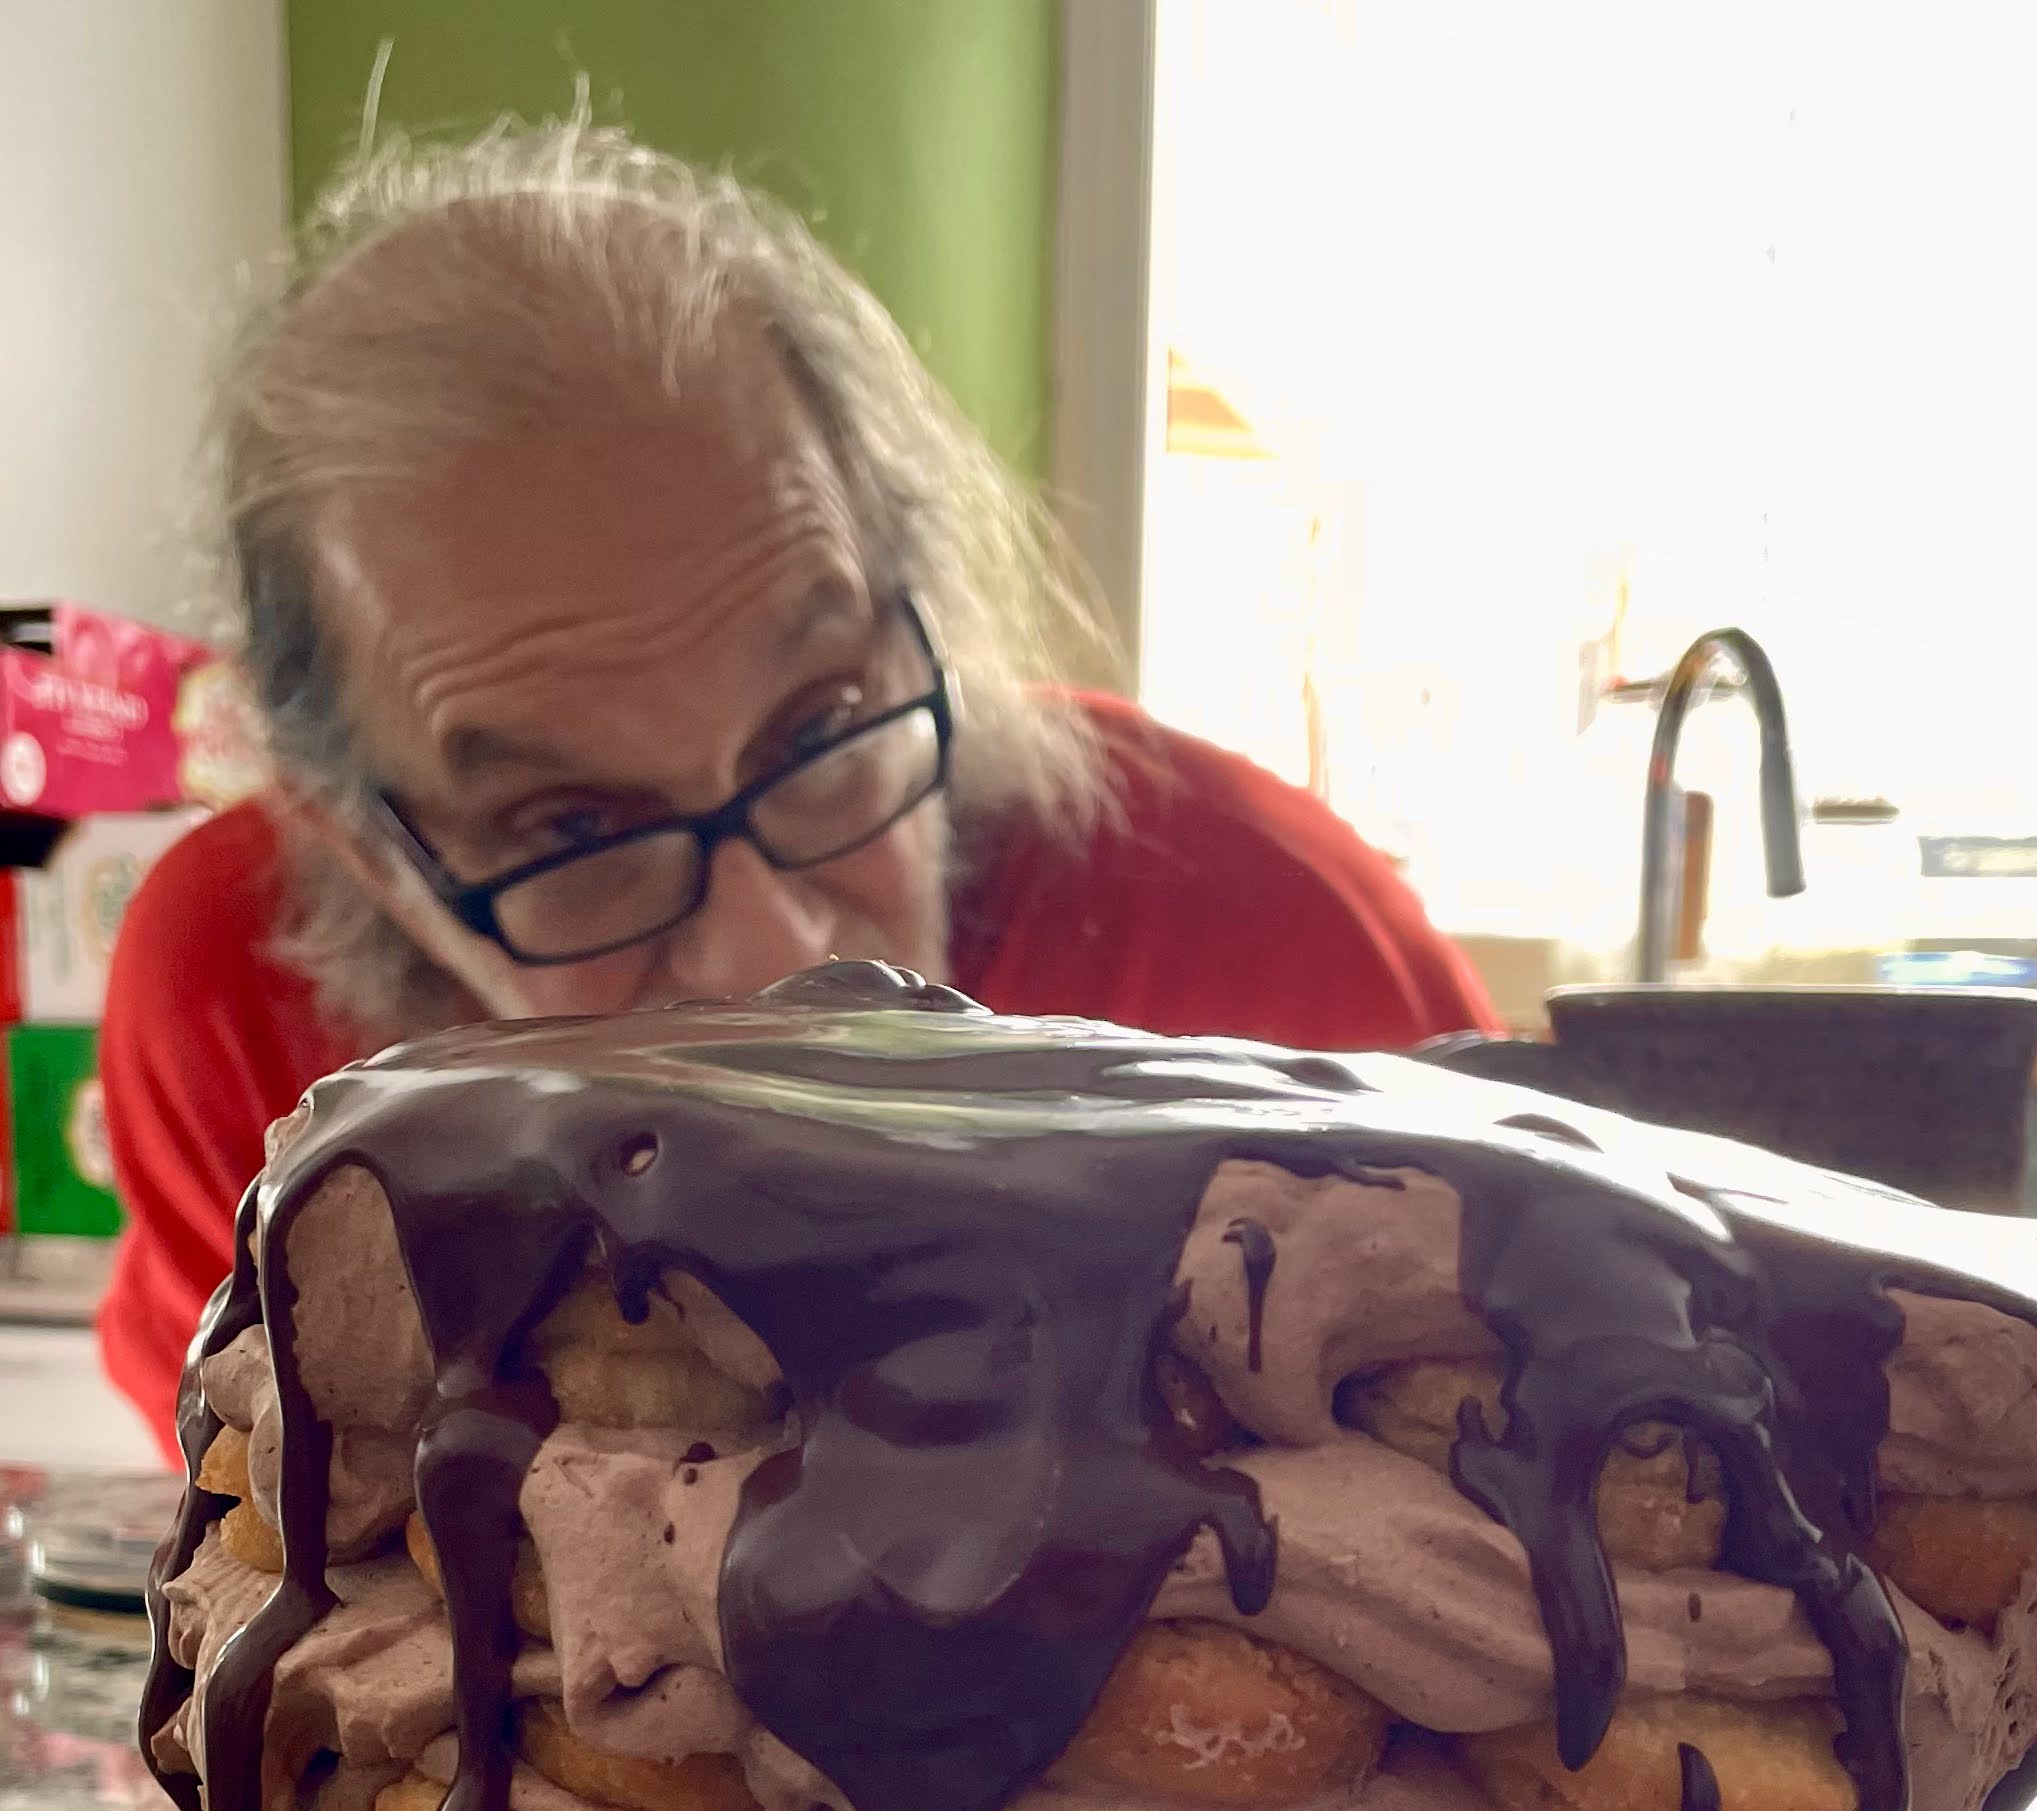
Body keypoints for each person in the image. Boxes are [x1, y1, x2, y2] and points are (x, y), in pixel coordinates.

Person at [99, 121, 1490, 1450]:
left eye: (820, 720)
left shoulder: (1279, 954)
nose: (777, 960)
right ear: (367, 861)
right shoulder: (237, 1014)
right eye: (571, 829)